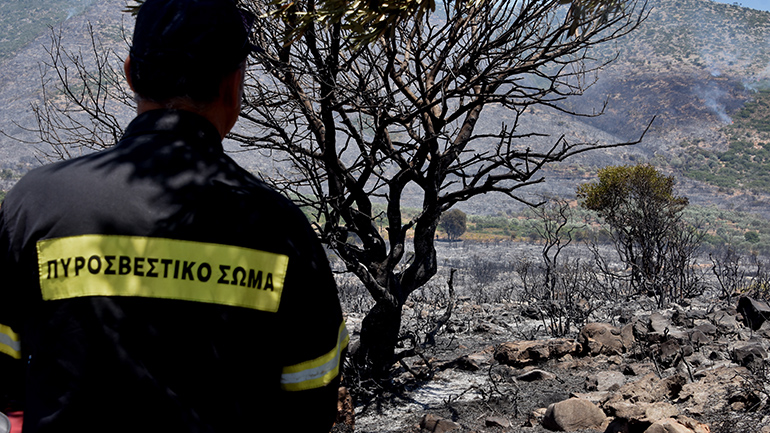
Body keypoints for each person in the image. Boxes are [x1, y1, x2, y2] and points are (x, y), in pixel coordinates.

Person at [0, 0, 348, 431]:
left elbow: (6, 375)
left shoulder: (33, 204)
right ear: (232, 85)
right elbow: (311, 402)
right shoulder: (282, 228)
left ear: (129, 73)